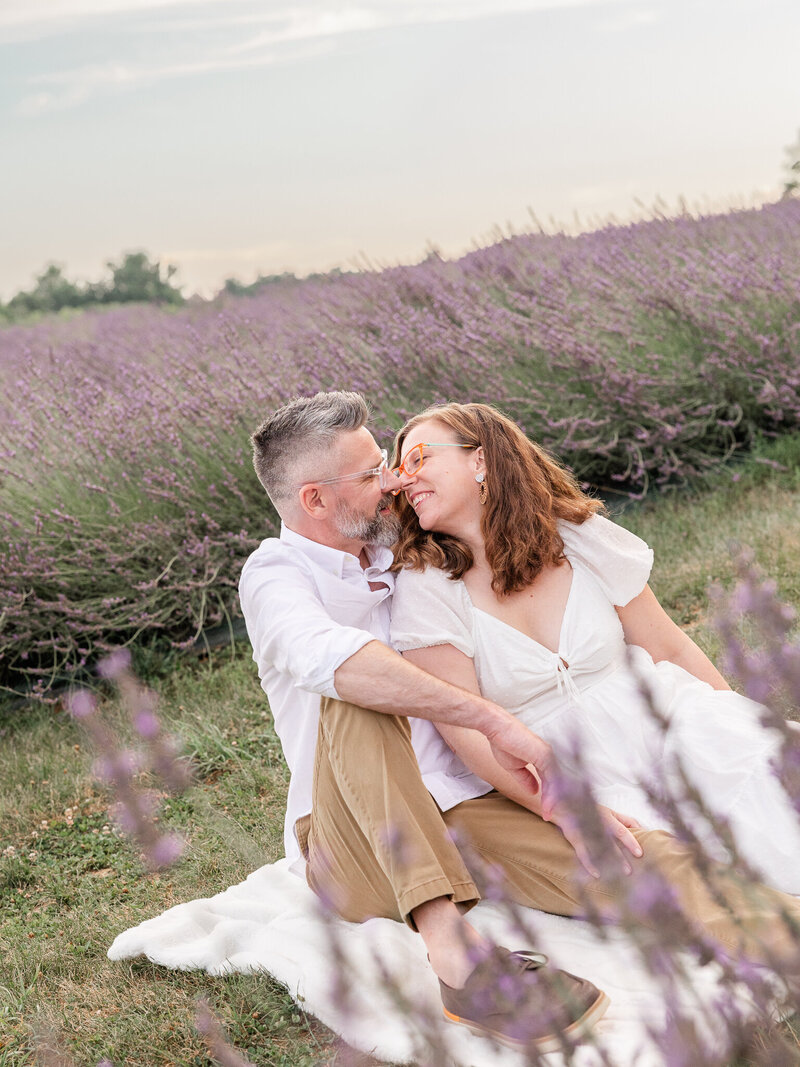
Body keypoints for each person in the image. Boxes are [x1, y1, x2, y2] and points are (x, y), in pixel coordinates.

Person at [240, 391, 799, 1052]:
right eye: (370, 474)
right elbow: (332, 660)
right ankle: (459, 961)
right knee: (355, 681)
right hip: (355, 838)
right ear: (314, 500)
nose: (391, 479)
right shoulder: (274, 578)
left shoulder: (406, 551)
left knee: (640, 857)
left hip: (466, 811)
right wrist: (494, 720)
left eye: (391, 462)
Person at [389, 400, 800, 897]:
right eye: (397, 468)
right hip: (579, 774)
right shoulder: (425, 585)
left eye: (418, 459)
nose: (403, 479)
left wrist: (739, 721)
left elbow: (667, 645)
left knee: (770, 782)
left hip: (668, 717)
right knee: (709, 872)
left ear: (480, 460)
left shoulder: (575, 536)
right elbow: (467, 733)